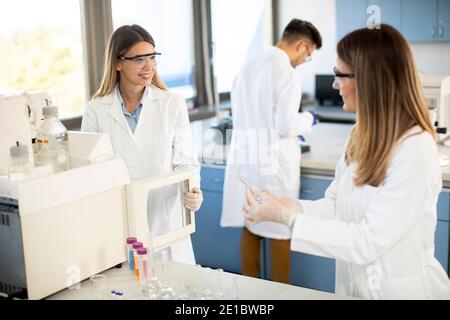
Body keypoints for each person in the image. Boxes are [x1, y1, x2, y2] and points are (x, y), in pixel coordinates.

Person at [243, 24, 450, 299]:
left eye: (340, 75)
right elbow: (336, 205)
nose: (334, 84)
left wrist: (286, 218)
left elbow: (368, 241)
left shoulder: (415, 148)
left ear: (370, 79)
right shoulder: (360, 134)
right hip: (354, 288)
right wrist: (286, 204)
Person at [81, 25, 203, 265]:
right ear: (118, 63)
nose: (149, 66)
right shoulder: (96, 110)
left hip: (167, 222)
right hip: (119, 224)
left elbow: (186, 161)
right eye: (139, 59)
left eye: (152, 57)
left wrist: (193, 189)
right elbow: (91, 171)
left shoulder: (172, 104)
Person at [221, 19, 322, 283]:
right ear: (301, 46)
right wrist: (308, 120)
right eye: (308, 55)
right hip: (275, 165)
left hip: (249, 160)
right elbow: (287, 125)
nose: (303, 61)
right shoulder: (286, 72)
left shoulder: (248, 65)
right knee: (280, 228)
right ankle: (281, 294)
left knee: (252, 225)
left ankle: (250, 290)